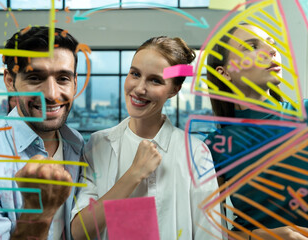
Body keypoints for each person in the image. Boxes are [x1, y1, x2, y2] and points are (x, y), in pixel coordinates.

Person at [71, 36, 222, 240]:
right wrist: (133, 175)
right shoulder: (98, 145)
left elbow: (209, 235)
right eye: (135, 74)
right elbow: (78, 231)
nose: (140, 88)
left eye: (155, 80)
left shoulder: (195, 153)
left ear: (174, 90)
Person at [0, 26, 84, 239]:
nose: (51, 94)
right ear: (10, 82)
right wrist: (38, 212)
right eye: (35, 78)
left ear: (75, 83)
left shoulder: (76, 143)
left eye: (63, 78)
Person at [205, 23, 308, 239]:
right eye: (251, 46)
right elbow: (207, 230)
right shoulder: (213, 147)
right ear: (224, 73)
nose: (271, 51)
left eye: (271, 44)